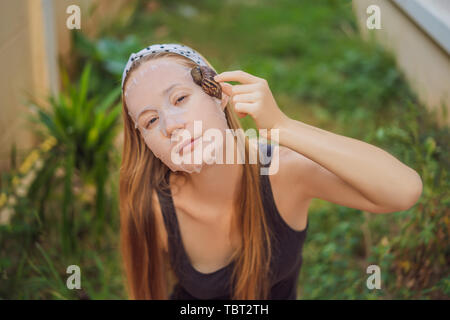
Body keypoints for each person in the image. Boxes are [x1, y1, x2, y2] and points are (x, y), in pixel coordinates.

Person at [119, 43, 423, 300]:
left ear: (219, 94)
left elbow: (403, 190)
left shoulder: (283, 173)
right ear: (146, 142)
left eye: (180, 99)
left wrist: (282, 127)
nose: (171, 125)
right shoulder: (155, 208)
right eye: (150, 121)